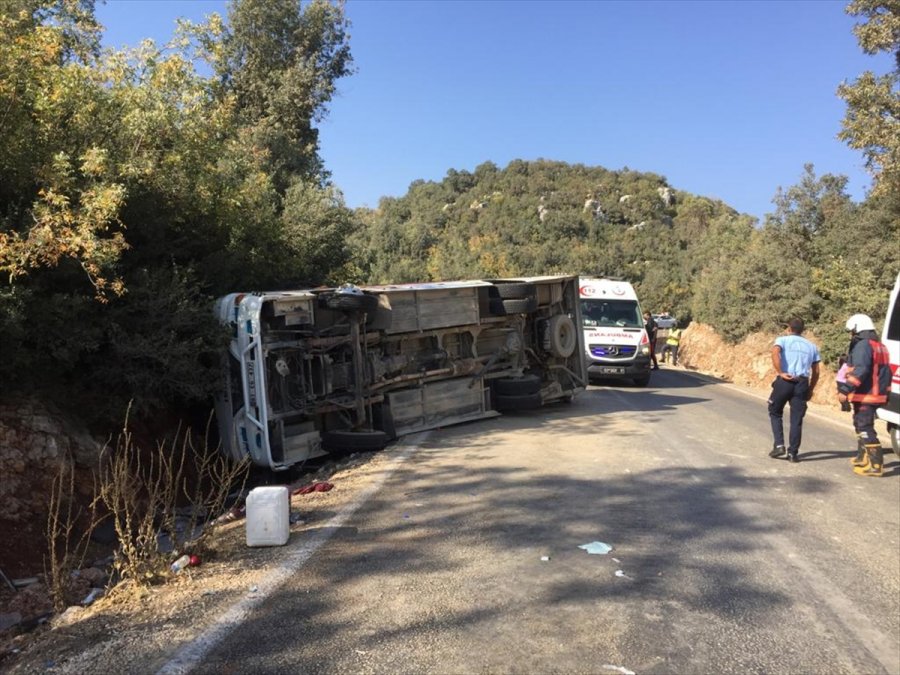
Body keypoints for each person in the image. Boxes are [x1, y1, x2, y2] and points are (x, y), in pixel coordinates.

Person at [837, 313, 890, 477]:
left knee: (865, 427)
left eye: (852, 331)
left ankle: (875, 465)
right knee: (860, 424)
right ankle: (863, 457)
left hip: (867, 393)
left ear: (857, 329)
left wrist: (845, 388)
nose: (851, 335)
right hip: (876, 392)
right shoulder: (879, 345)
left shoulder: (863, 345)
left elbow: (862, 369)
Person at [767, 318, 820, 463]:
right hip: (802, 382)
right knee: (796, 419)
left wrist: (780, 372)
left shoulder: (782, 340)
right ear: (802, 330)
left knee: (775, 411)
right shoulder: (812, 346)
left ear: (788, 328)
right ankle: (793, 454)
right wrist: (811, 389)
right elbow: (816, 371)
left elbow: (775, 353)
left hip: (786, 380)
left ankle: (779, 445)